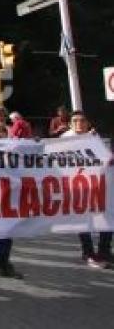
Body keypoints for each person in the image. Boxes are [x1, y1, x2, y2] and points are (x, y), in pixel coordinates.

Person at [61, 111, 111, 268]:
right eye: (75, 121)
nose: (79, 124)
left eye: (82, 120)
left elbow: (107, 158)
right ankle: (88, 251)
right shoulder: (62, 140)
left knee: (108, 215)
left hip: (98, 185)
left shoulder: (96, 138)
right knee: (83, 219)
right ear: (70, 124)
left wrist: (94, 141)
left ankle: (104, 251)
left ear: (88, 123)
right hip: (78, 186)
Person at [0, 121, 24, 279]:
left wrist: (35, 143)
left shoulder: (10, 149)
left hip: (9, 196)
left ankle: (2, 262)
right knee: (3, 229)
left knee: (8, 230)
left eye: (1, 131)